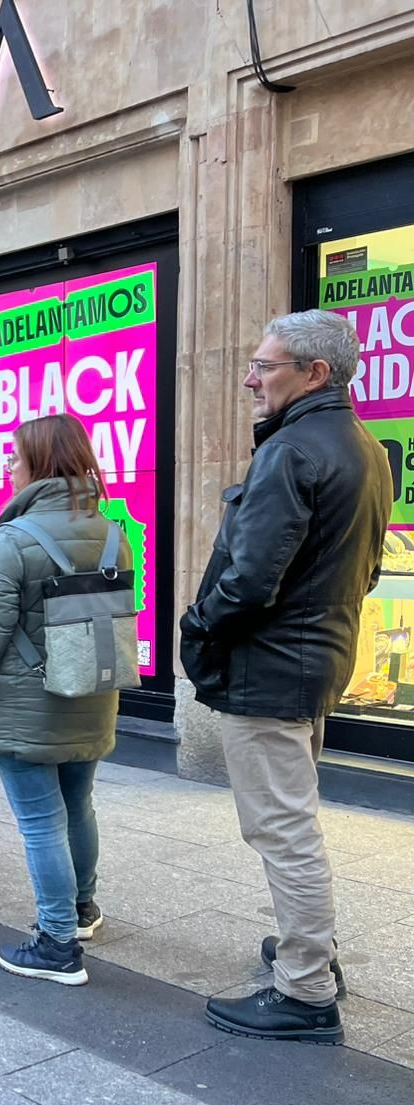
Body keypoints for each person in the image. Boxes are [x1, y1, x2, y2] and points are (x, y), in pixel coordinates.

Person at [182, 311, 392, 1042]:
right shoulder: (363, 446)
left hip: (271, 667)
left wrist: (199, 624)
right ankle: (312, 950)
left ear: (314, 373)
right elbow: (365, 569)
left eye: (264, 366)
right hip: (316, 657)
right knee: (292, 820)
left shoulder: (292, 450)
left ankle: (305, 989)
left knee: (281, 829)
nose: (250, 379)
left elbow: (249, 578)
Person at [0, 414, 126, 986]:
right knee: (78, 806)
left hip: (26, 704)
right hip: (91, 692)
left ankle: (56, 943)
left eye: (15, 457)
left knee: (41, 822)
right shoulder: (111, 531)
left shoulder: (14, 541)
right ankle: (82, 909)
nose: (8, 467)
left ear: (40, 464)